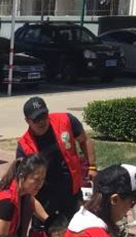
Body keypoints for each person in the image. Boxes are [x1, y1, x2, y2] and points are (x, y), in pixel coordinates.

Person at [16, 96, 97, 227]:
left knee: (76, 229)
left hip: (71, 191)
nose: (42, 121)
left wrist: (92, 166)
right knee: (43, 233)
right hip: (44, 197)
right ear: (27, 121)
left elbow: (84, 140)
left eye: (44, 116)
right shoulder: (24, 145)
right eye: (36, 119)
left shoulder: (65, 120)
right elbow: (22, 182)